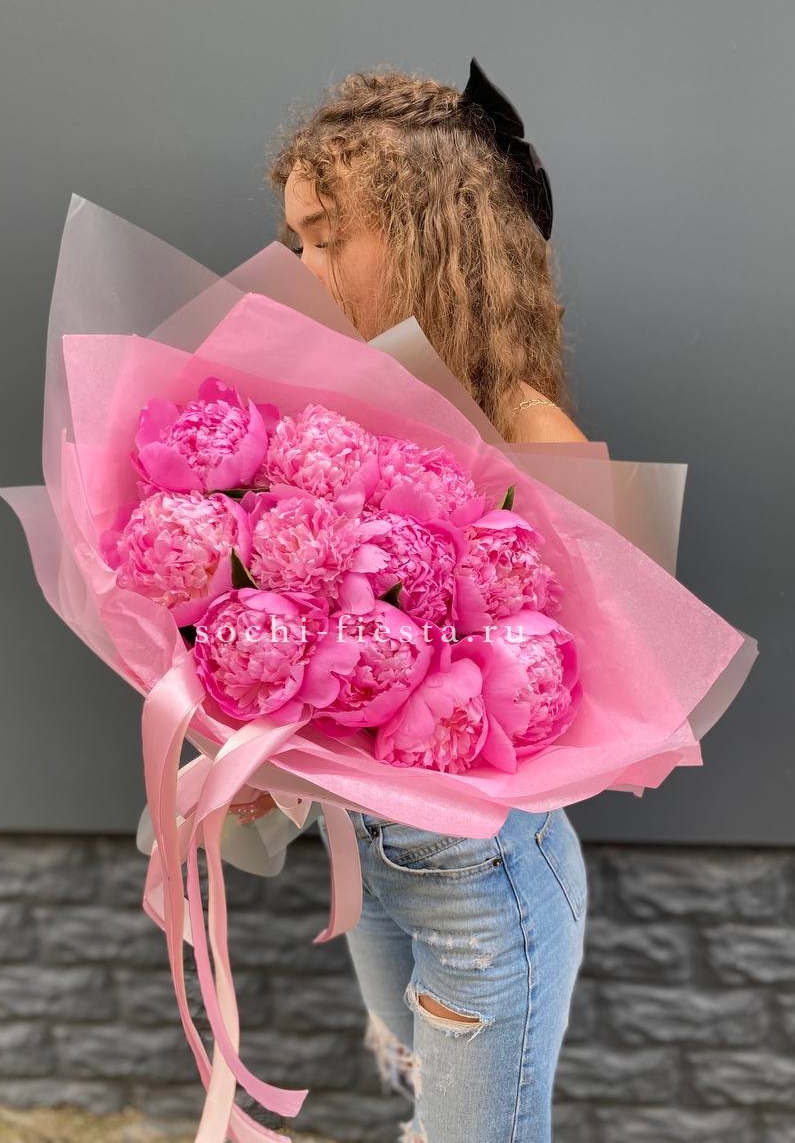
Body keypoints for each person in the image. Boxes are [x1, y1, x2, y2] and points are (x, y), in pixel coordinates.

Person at [229, 59, 589, 1143]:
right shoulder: (336, 418)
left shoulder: (532, 436)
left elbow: (571, 691)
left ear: (431, 233)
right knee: (418, 1091)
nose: (301, 266)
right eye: (296, 238)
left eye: (328, 236)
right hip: (376, 860)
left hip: (483, 880)